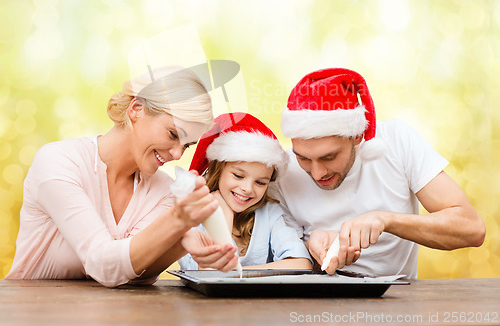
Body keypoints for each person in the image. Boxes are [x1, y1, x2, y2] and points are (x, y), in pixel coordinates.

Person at [5, 66, 239, 287]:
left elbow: (131, 274)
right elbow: (102, 265)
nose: (177, 154)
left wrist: (179, 243)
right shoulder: (59, 162)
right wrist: (177, 222)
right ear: (137, 109)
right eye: (173, 134)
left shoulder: (164, 191)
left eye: (187, 145)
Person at [271, 67, 486, 279]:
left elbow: (471, 229)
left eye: (329, 157)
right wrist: (311, 249)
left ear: (357, 135)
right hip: (312, 308)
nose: (317, 173)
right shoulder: (282, 171)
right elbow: (274, 261)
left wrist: (386, 221)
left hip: (395, 304)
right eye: (303, 158)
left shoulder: (397, 142)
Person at [178, 112, 312, 270]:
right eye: (238, 175)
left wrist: (236, 273)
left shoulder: (270, 214)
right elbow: (207, 273)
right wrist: (224, 220)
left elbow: (301, 264)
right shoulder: (192, 216)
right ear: (218, 170)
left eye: (260, 182)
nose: (247, 189)